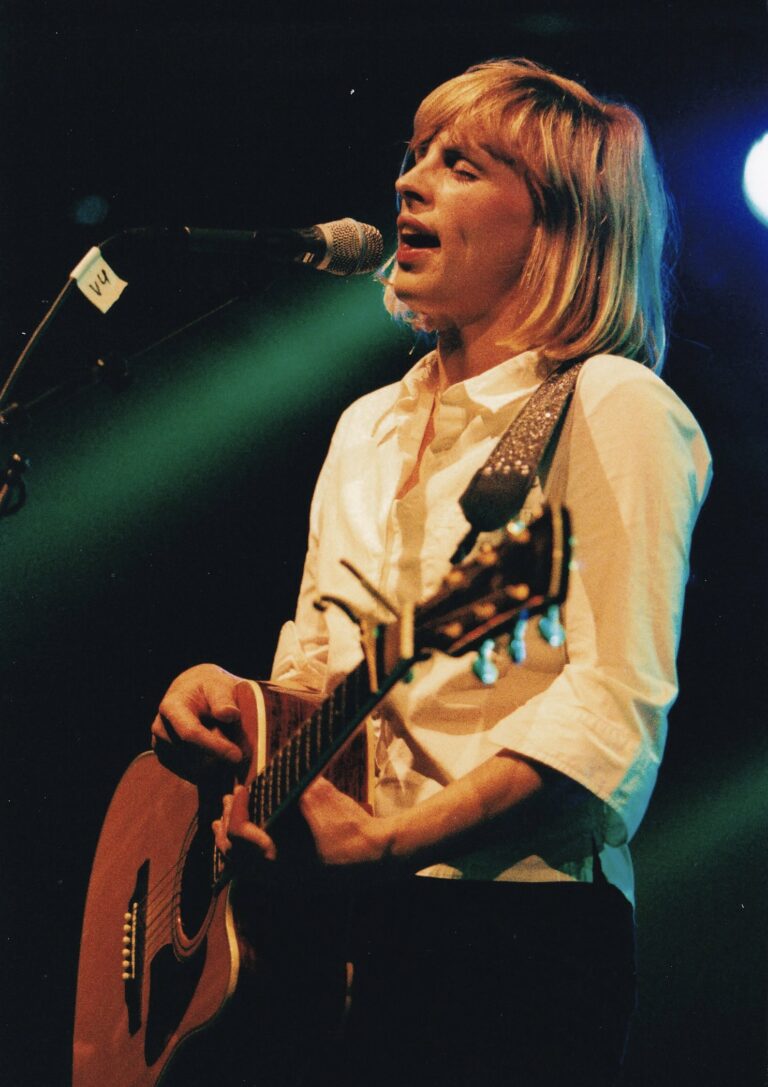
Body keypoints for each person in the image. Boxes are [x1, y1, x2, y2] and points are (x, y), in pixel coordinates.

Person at [152, 58, 711, 1086]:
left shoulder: (612, 404)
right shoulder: (367, 424)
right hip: (332, 930)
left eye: (463, 166)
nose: (411, 181)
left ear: (558, 227)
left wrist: (393, 841)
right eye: (416, 156)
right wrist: (225, 702)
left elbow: (612, 711)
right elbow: (315, 680)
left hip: (513, 935)